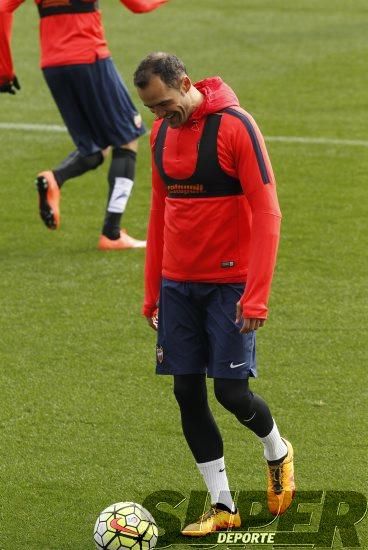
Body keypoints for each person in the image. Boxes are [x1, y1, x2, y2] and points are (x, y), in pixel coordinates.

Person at [133, 52, 295, 536]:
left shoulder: (236, 128)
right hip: (177, 286)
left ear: (184, 83)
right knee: (187, 391)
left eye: (165, 104)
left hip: (230, 286)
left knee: (230, 392)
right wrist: (152, 293)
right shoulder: (160, 134)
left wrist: (257, 295)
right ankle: (223, 504)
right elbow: (160, 212)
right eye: (151, 109)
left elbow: (268, 214)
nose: (160, 116)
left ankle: (277, 450)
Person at [0, 0, 168, 250]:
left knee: (96, 145)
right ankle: (111, 234)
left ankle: (55, 178)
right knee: (127, 137)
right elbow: (140, 5)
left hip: (53, 65)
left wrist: (4, 70)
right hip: (90, 59)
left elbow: (2, 8)